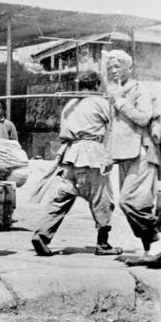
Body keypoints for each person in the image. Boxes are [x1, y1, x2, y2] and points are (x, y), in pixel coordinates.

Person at [31, 71, 120, 256]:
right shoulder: (101, 103)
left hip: (70, 157)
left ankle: (42, 234)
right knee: (102, 200)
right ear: (96, 85)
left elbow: (64, 135)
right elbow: (114, 126)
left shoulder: (69, 105)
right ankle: (103, 244)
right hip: (92, 156)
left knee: (60, 199)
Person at [105, 50, 161, 267]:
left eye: (117, 66)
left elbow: (143, 117)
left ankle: (157, 243)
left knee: (129, 201)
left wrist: (120, 102)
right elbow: (113, 127)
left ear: (129, 68)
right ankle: (151, 251)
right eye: (110, 67)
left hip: (141, 151)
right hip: (123, 154)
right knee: (137, 203)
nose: (113, 70)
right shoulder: (115, 91)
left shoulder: (138, 88)